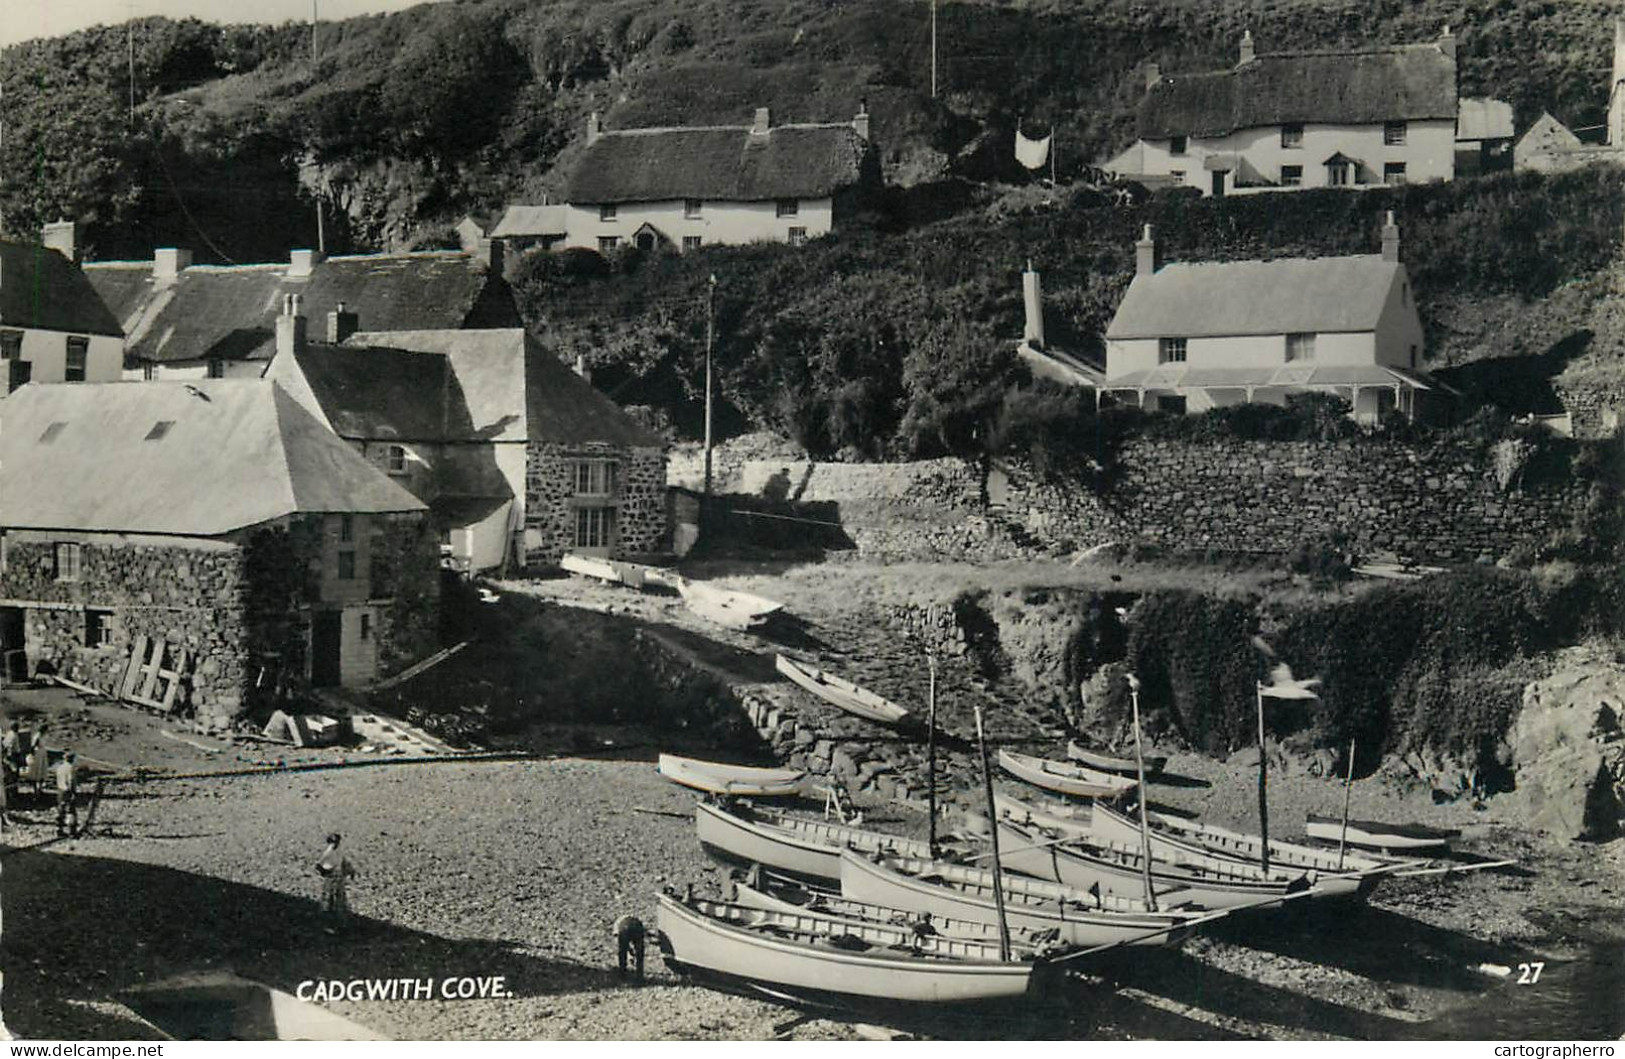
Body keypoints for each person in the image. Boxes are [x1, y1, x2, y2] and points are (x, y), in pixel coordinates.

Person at [315, 833, 358, 929]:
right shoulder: (328, 853)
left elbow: (345, 863)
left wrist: (350, 871)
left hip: (339, 880)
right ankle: (328, 924)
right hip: (330, 880)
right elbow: (319, 866)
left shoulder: (339, 852)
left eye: (337, 842)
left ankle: (340, 923)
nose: (335, 844)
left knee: (339, 901)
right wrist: (326, 872)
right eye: (334, 842)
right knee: (329, 901)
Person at [613, 913, 646, 980]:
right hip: (637, 926)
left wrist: (629, 953)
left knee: (622, 952)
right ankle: (640, 975)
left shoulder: (617, 924)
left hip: (623, 928)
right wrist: (631, 953)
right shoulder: (636, 920)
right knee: (639, 953)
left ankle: (622, 974)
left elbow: (618, 941)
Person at [54, 750, 78, 837]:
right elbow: (71, 780)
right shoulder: (71, 768)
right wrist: (73, 792)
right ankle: (72, 831)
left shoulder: (59, 767)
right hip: (68, 790)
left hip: (60, 790)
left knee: (60, 810)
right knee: (71, 811)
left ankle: (58, 829)